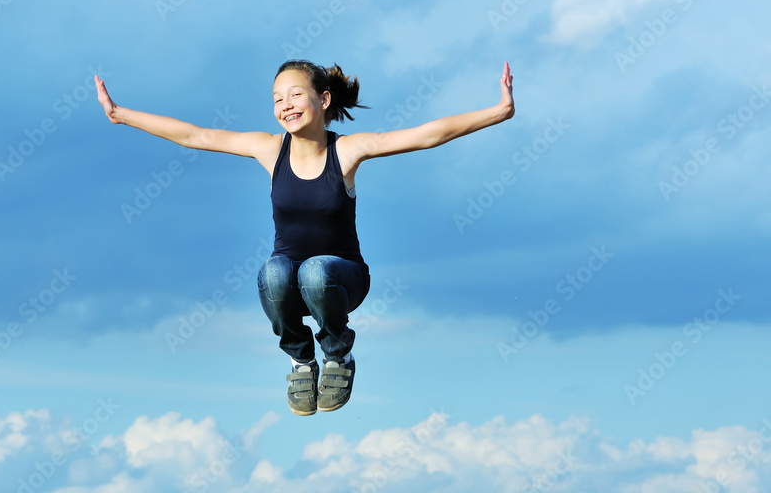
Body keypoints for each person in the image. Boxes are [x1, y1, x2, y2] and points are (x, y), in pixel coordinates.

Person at [95, 59, 514, 415]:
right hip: (291, 282)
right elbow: (196, 136)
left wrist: (498, 111)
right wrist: (120, 114)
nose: (285, 105)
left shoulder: (346, 151)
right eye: (277, 99)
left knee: (314, 270)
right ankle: (300, 361)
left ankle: (338, 353)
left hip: (343, 278)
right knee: (274, 271)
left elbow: (426, 135)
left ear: (323, 99)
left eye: (295, 95)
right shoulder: (269, 150)